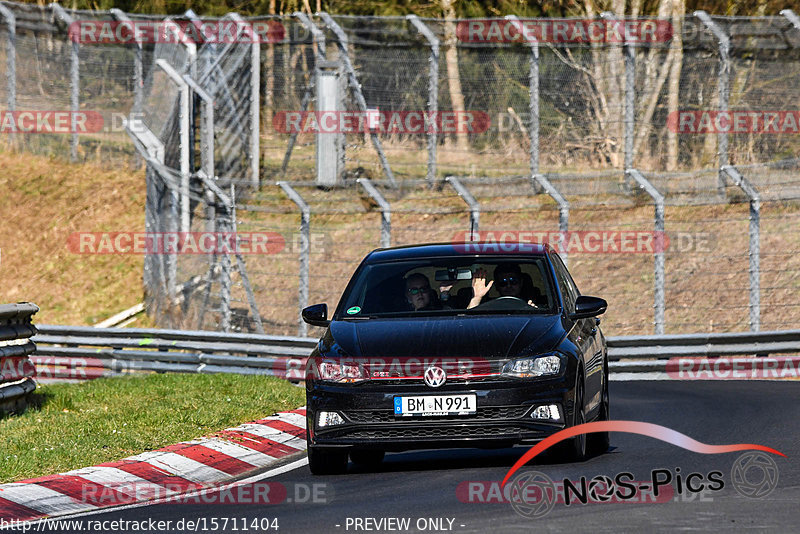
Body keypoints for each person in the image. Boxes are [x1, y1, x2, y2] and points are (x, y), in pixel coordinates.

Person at [467, 263, 538, 309]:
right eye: (503, 282)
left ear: (521, 283)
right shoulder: (488, 308)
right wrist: (476, 298)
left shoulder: (530, 306)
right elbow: (466, 324)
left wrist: (533, 312)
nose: (508, 286)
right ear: (496, 286)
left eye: (513, 281)